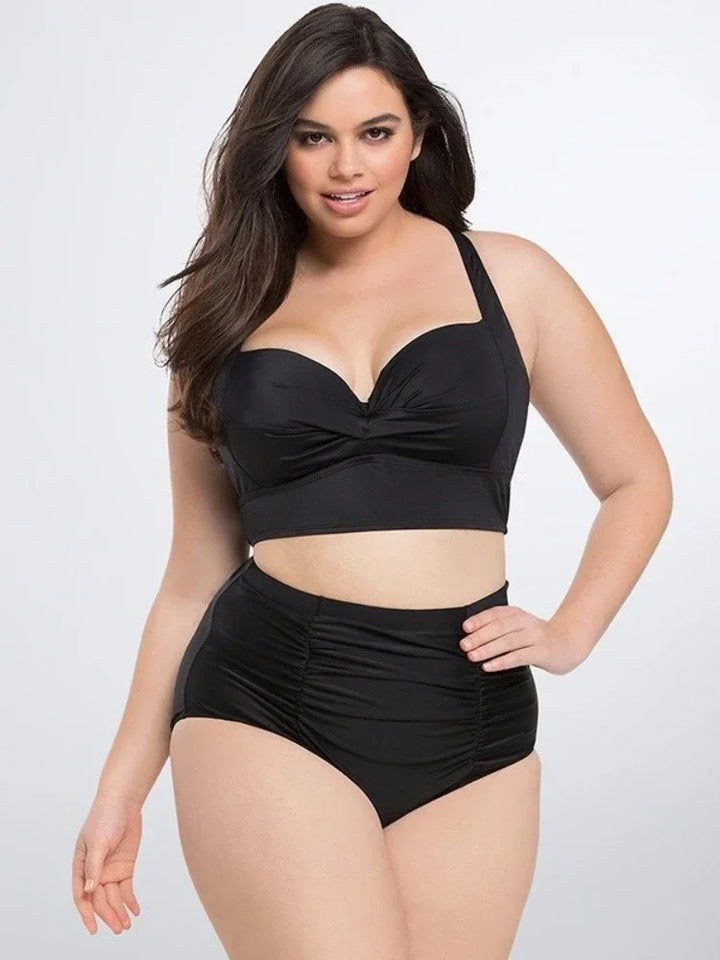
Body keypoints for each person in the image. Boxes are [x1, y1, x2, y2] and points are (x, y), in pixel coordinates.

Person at [72, 4, 673, 958]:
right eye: (313, 137)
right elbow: (193, 577)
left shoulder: (512, 278)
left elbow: (637, 479)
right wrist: (120, 788)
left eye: (375, 133)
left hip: (470, 716)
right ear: (276, 145)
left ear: (419, 134)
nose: (345, 166)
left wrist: (571, 631)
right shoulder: (223, 308)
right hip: (270, 701)